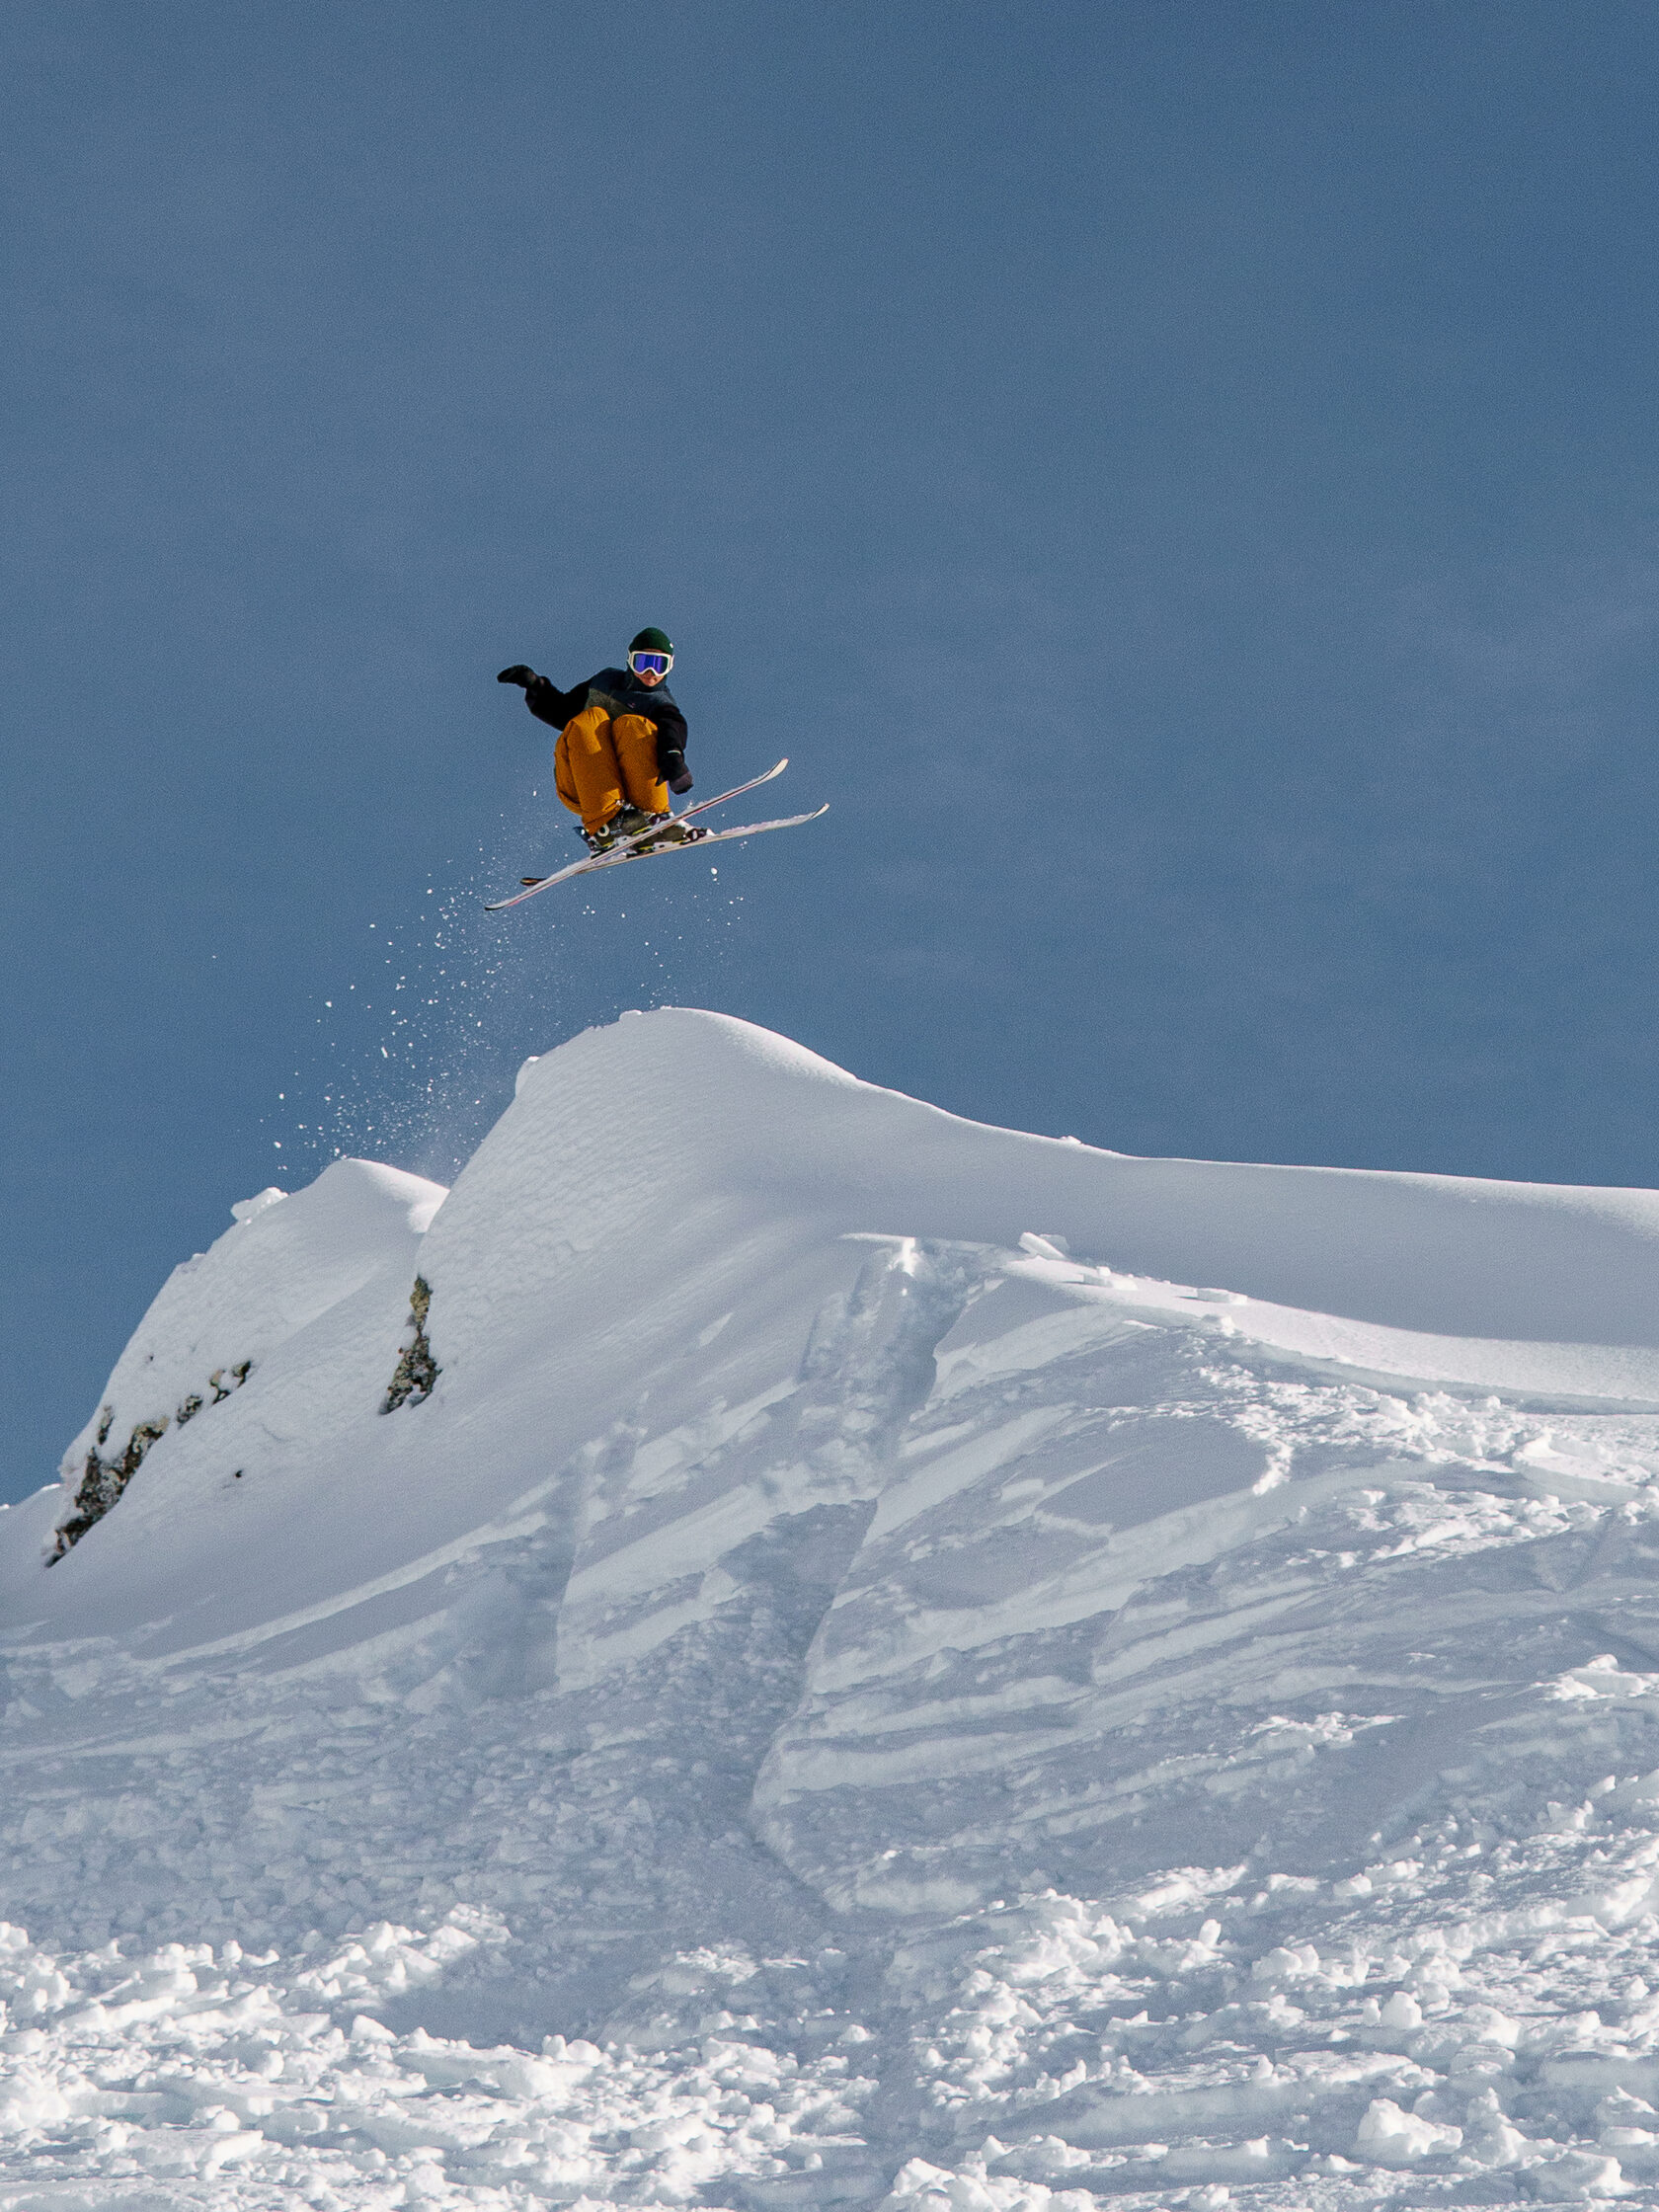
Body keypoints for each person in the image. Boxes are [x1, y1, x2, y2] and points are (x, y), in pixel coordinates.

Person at [498, 628, 695, 854]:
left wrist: (674, 760)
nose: (651, 672)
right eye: (642, 662)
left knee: (633, 726)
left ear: (669, 667)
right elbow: (563, 713)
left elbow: (673, 736)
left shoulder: (662, 706)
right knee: (589, 720)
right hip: (585, 787)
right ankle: (608, 823)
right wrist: (534, 685)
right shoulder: (604, 683)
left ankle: (650, 819)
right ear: (630, 661)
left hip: (641, 794)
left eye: (659, 665)